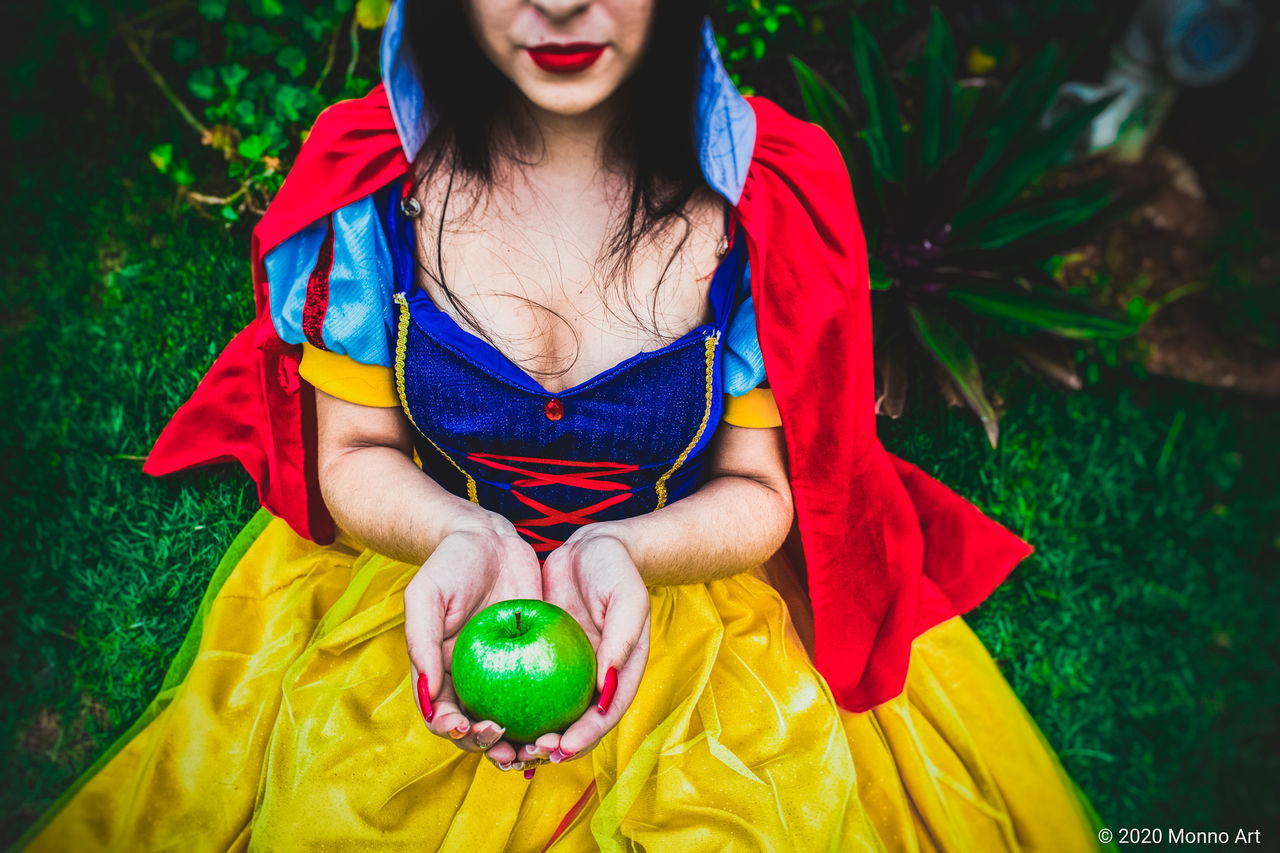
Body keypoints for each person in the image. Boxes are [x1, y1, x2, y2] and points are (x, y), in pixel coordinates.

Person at [22, 0, 1111, 849]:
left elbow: (764, 490)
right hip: (436, 559)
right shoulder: (374, 185)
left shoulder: (758, 208)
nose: (558, 10)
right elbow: (350, 450)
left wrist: (619, 549)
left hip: (669, 576)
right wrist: (459, 535)